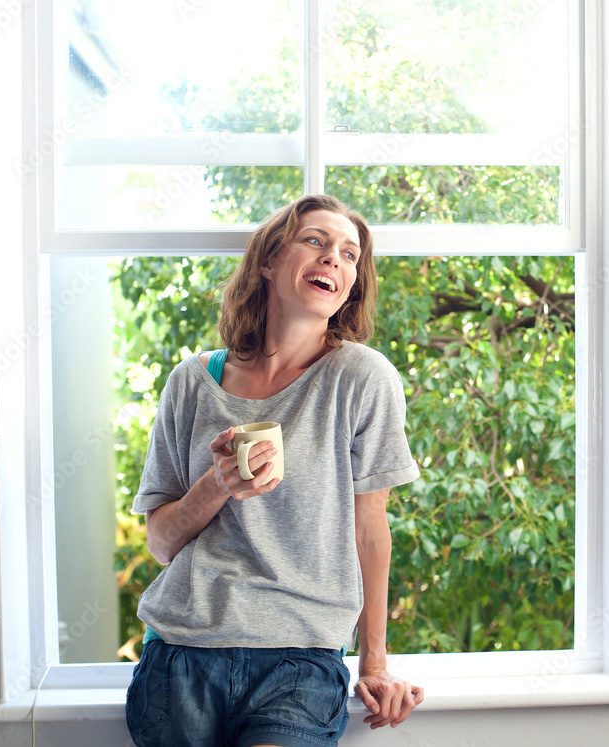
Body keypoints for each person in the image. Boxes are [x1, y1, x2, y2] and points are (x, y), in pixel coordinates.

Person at [124, 194, 424, 747]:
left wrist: (374, 663)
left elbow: (370, 530)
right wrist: (217, 484)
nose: (335, 258)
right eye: (315, 241)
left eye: (350, 254)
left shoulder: (361, 378)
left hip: (300, 662)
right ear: (268, 260)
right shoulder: (191, 383)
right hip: (181, 656)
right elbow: (162, 544)